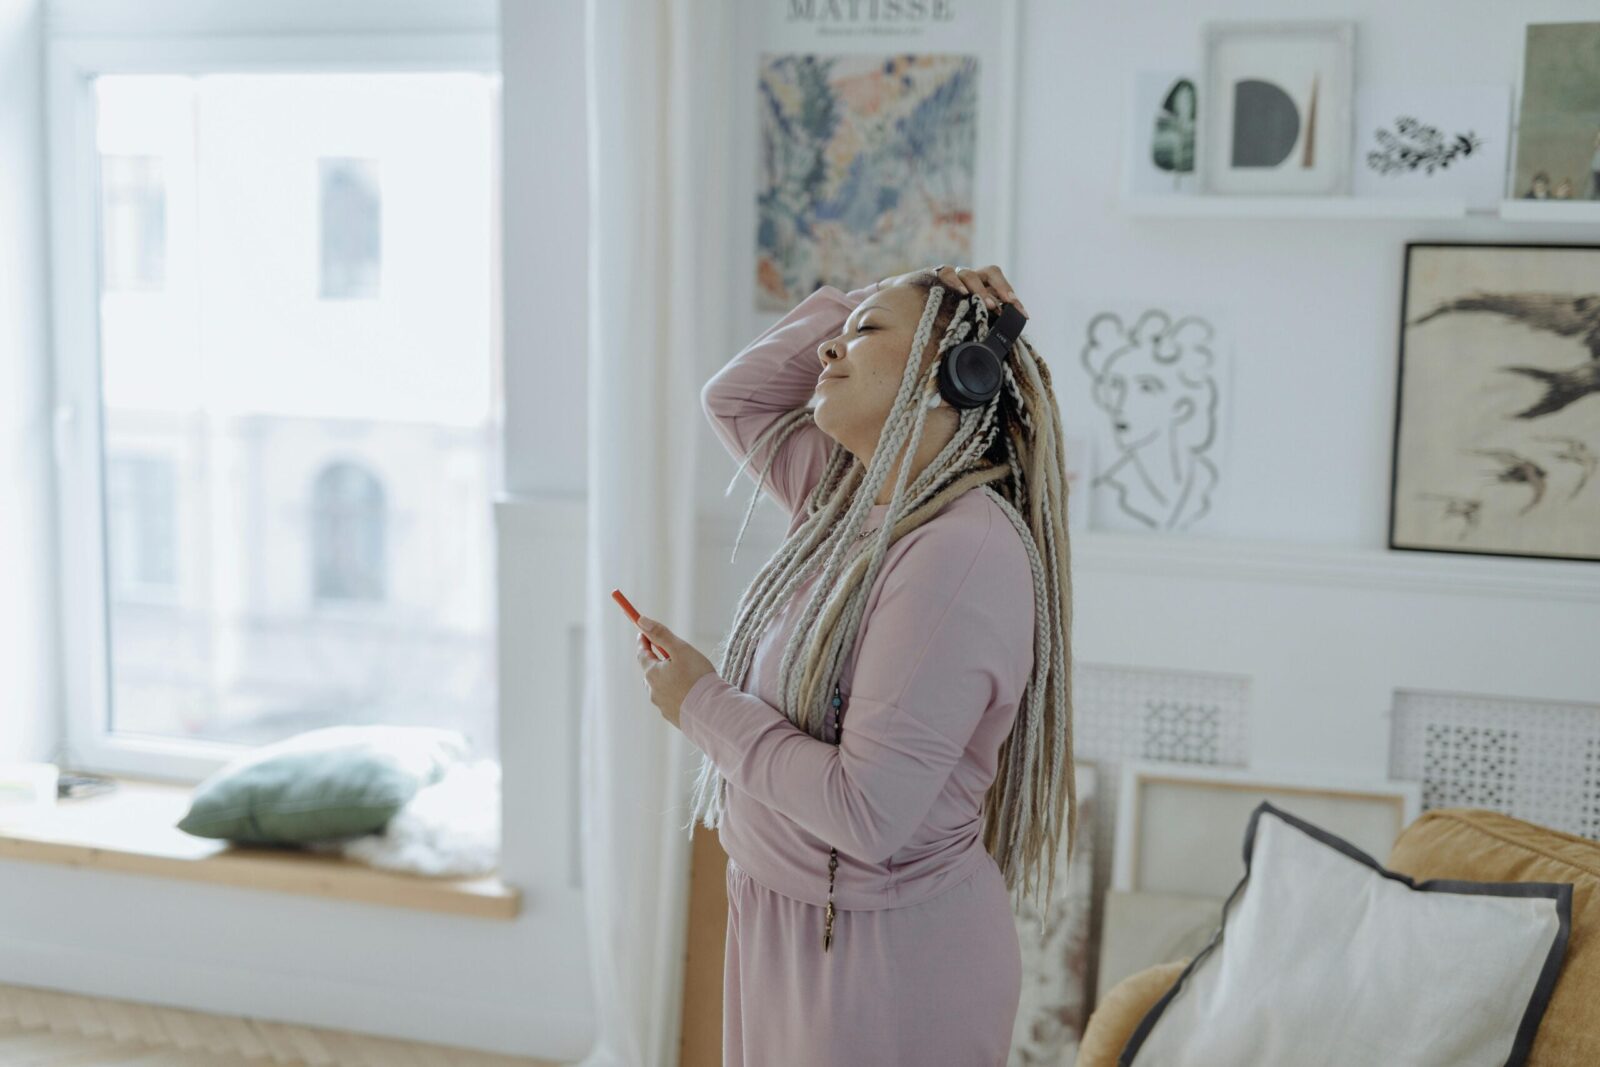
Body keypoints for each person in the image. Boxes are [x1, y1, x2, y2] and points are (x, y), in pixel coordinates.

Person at [632, 264, 1077, 1065]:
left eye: (865, 332)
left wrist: (701, 701)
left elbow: (866, 812)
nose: (829, 348)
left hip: (882, 963)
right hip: (779, 922)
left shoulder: (959, 552)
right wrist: (881, 290)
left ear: (961, 374)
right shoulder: (839, 500)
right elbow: (733, 399)